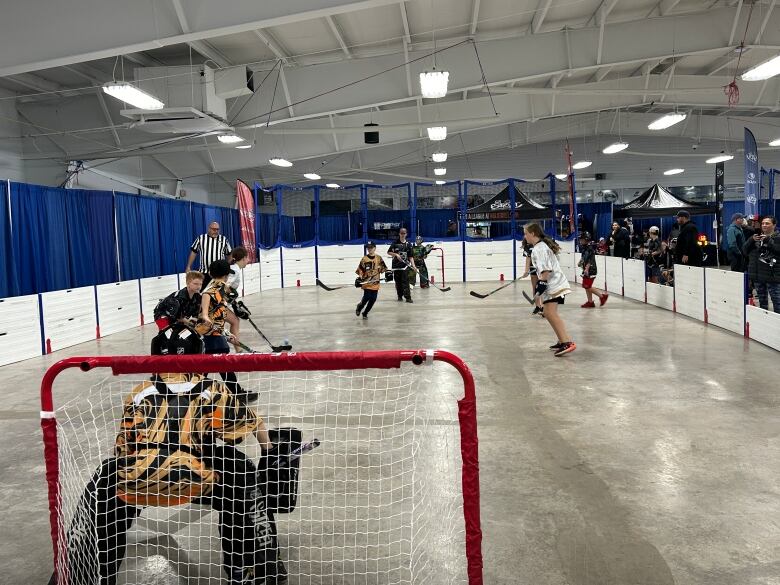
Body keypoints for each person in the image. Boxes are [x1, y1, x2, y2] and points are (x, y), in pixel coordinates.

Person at [52, 323, 287, 585]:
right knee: (240, 469)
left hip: (140, 481)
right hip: (196, 480)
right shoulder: (212, 389)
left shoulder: (139, 392)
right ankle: (255, 571)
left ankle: (78, 571)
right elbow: (252, 423)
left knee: (104, 479)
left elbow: (123, 449)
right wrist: (271, 453)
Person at [198, 259, 251, 399]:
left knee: (215, 365)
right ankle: (237, 393)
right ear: (226, 274)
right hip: (208, 333)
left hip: (216, 331)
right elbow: (205, 306)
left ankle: (193, 392)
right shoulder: (211, 289)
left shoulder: (223, 287)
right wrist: (206, 317)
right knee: (219, 363)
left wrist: (227, 331)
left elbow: (224, 306)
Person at [523, 223, 575, 356]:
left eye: (526, 233)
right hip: (554, 283)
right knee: (549, 312)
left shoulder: (539, 249)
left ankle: (567, 342)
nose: (525, 236)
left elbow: (546, 270)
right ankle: (563, 340)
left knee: (550, 313)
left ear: (533, 233)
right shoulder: (539, 247)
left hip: (555, 284)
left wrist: (539, 289)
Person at [743, 216, 780, 313]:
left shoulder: (777, 237)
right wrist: (751, 240)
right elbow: (745, 251)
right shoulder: (756, 237)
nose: (764, 225)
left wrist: (769, 241)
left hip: (773, 277)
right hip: (758, 276)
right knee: (762, 304)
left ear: (774, 225)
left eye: (767, 223)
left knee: (777, 302)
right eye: (763, 223)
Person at [187, 221, 232, 286]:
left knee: (218, 293)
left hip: (219, 273)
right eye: (214, 229)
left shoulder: (223, 239)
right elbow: (194, 252)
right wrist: (188, 266)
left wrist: (226, 267)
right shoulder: (201, 238)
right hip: (204, 272)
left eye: (217, 229)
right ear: (209, 229)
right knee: (203, 292)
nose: (216, 231)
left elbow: (229, 254)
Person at [223, 247, 250, 346]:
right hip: (217, 304)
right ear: (243, 258)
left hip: (222, 303)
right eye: (247, 258)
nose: (248, 261)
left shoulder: (234, 268)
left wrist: (233, 303)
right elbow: (223, 286)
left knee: (234, 321)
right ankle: (238, 350)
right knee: (235, 321)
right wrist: (230, 296)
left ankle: (238, 350)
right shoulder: (235, 270)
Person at [354, 241, 388, 319]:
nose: (369, 249)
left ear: (375, 248)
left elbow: (384, 268)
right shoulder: (364, 259)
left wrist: (387, 273)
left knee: (373, 299)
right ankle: (359, 307)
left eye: (371, 247)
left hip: (375, 282)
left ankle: (365, 313)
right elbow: (360, 270)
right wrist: (359, 278)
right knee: (367, 297)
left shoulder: (379, 258)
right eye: (368, 248)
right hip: (367, 282)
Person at [577, 232, 608, 308]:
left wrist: (586, 269)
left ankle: (602, 296)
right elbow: (584, 258)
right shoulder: (585, 247)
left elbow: (589, 260)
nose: (580, 240)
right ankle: (590, 302)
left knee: (587, 286)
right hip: (587, 269)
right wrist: (581, 263)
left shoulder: (589, 248)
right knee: (587, 286)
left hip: (590, 270)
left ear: (586, 239)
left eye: (582, 239)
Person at [387, 228, 415, 303]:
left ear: (406, 234)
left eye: (404, 233)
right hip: (396, 267)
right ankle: (399, 296)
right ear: (399, 234)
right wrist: (396, 254)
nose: (403, 235)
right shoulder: (395, 243)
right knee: (398, 283)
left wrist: (414, 266)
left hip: (405, 267)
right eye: (401, 233)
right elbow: (389, 252)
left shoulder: (408, 244)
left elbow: (411, 256)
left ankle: (408, 297)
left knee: (405, 282)